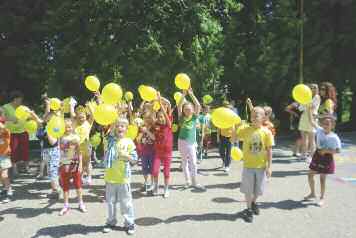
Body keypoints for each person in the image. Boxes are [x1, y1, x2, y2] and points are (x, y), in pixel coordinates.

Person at [234, 107, 273, 223]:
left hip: (261, 166)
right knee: (248, 190)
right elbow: (234, 139)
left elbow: (269, 150)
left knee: (258, 191)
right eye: (252, 114)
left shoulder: (267, 132)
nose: (254, 116)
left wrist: (269, 167)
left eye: (258, 114)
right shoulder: (246, 130)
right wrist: (235, 128)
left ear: (263, 118)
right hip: (248, 166)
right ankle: (249, 209)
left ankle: (254, 202)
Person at [103, 118, 137, 235]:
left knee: (126, 203)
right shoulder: (110, 140)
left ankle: (129, 223)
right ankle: (111, 222)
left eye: (122, 126)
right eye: (117, 126)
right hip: (110, 177)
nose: (119, 128)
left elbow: (134, 160)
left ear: (126, 129)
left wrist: (127, 156)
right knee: (110, 202)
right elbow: (108, 132)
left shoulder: (129, 142)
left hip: (123, 178)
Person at [304, 114, 341, 207]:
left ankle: (322, 198)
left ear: (332, 126)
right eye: (324, 123)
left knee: (322, 179)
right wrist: (309, 109)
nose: (325, 125)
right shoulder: (319, 130)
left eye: (328, 124)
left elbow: (338, 150)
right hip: (318, 155)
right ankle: (312, 193)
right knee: (310, 175)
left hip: (327, 158)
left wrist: (326, 151)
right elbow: (311, 121)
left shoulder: (334, 137)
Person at [177, 87, 204, 189]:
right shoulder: (181, 117)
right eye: (185, 109)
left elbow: (198, 105)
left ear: (192, 110)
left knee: (193, 162)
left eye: (189, 109)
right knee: (184, 162)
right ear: (183, 110)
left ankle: (194, 181)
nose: (187, 110)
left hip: (191, 142)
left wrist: (191, 94)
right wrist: (183, 95)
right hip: (182, 142)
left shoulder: (194, 117)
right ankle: (187, 181)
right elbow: (179, 105)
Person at [59, 118, 86, 216]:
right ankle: (66, 205)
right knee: (65, 186)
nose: (67, 129)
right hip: (64, 164)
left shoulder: (76, 138)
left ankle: (80, 203)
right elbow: (59, 151)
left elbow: (79, 152)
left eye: (69, 127)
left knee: (78, 185)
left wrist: (81, 164)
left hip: (75, 164)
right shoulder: (60, 138)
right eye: (65, 127)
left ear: (72, 127)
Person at [1, 91, 30, 174]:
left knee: (25, 150)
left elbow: (30, 117)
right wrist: (10, 119)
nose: (21, 102)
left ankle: (26, 167)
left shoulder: (24, 108)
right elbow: (2, 119)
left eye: (21, 100)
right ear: (15, 99)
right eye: (19, 100)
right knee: (13, 151)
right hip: (12, 133)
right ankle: (14, 169)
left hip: (23, 131)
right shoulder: (5, 107)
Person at [151, 93, 173, 198]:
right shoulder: (156, 126)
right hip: (158, 153)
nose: (160, 118)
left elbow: (168, 104)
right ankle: (155, 187)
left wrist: (160, 101)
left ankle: (166, 189)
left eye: (162, 116)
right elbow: (152, 115)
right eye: (159, 117)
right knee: (155, 171)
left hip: (167, 153)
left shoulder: (168, 124)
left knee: (166, 173)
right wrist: (153, 104)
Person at [298, 84, 320, 161]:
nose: (312, 89)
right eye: (311, 87)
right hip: (304, 117)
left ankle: (312, 156)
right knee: (304, 138)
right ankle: (304, 154)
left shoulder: (317, 97)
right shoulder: (305, 96)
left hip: (312, 118)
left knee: (312, 139)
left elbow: (312, 106)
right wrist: (304, 102)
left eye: (314, 88)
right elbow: (300, 108)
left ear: (317, 89)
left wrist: (305, 103)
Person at [136, 112, 155, 193]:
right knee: (144, 168)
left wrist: (146, 131)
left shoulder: (154, 128)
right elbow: (138, 139)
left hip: (152, 151)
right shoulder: (142, 128)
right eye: (145, 118)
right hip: (144, 152)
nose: (147, 120)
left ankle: (152, 182)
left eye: (148, 118)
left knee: (152, 168)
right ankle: (146, 182)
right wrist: (140, 134)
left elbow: (154, 138)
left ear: (151, 119)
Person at [0, 115, 13, 203]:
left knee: (4, 175)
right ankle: (5, 189)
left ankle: (9, 192)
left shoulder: (6, 132)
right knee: (1, 175)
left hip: (4, 155)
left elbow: (3, 128)